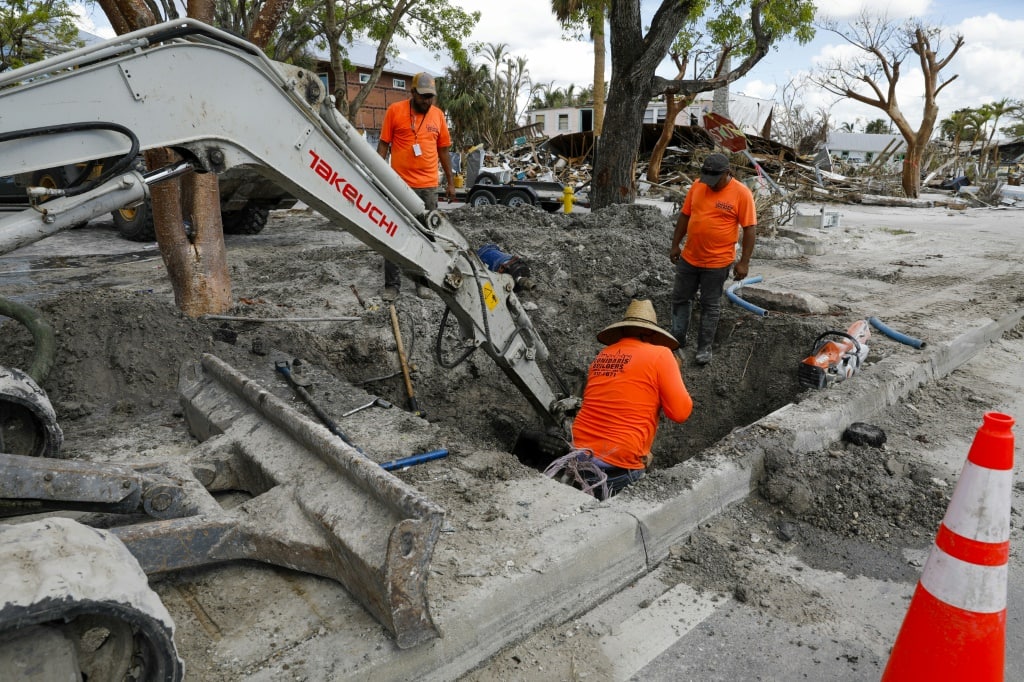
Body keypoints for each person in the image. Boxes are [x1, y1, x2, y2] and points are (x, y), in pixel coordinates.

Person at [547, 299, 693, 500]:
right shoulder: (661, 355)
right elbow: (680, 413)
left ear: (623, 332)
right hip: (618, 465)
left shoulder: (603, 355)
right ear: (651, 334)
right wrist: (674, 370)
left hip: (578, 453)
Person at [668, 152, 757, 366]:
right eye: (706, 178)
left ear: (727, 173)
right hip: (690, 257)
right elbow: (685, 216)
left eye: (714, 180)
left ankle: (704, 348)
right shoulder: (698, 186)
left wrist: (744, 261)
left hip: (718, 262)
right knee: (681, 298)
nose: (710, 185)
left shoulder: (741, 194)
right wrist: (675, 244)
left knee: (710, 304)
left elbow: (750, 228)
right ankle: (677, 338)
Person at [377, 72, 456, 301]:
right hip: (398, 185)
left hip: (428, 187)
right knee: (392, 232)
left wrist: (450, 182)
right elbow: (383, 145)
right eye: (423, 97)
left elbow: (443, 151)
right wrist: (377, 175)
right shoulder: (395, 111)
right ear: (412, 93)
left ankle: (423, 283)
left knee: (427, 236)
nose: (427, 101)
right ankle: (392, 285)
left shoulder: (438, 116)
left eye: (431, 97)